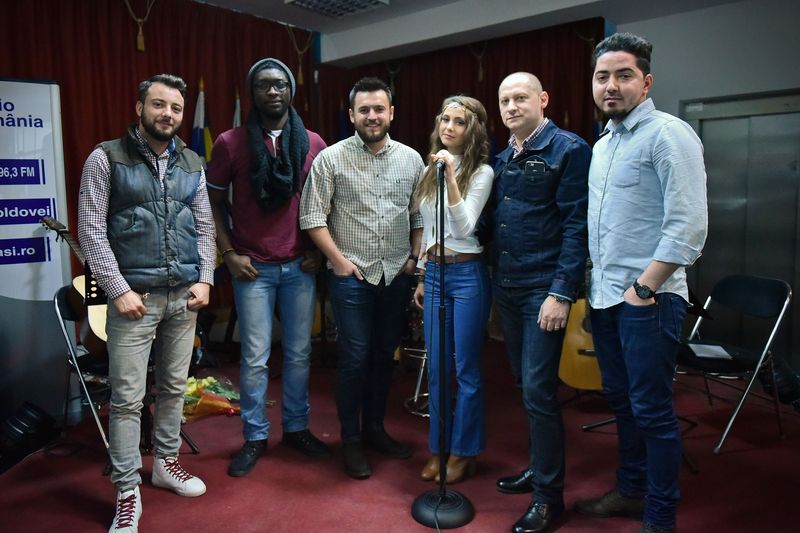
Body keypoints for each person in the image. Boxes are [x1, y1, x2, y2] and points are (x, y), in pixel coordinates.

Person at [575, 33, 708, 533]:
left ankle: (660, 516)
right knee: (622, 404)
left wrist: (644, 289)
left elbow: (689, 225)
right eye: (602, 77)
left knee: (651, 411)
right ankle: (631, 491)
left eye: (623, 75)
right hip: (606, 297)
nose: (611, 86)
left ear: (646, 82)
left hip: (648, 300)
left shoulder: (668, 134)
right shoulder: (603, 144)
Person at [77, 74, 215, 533]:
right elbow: (90, 230)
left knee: (174, 388)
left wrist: (206, 279)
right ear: (139, 108)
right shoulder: (106, 158)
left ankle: (166, 464)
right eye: (158, 105)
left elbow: (205, 225)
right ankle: (126, 491)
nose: (167, 114)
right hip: (134, 300)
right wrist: (118, 289)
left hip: (183, 298)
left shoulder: (192, 161)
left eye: (175, 108)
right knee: (127, 400)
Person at [207, 57, 330, 478]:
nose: (273, 91)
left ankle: (296, 429)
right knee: (255, 358)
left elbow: (326, 202)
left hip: (300, 266)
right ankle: (255, 436)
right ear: (252, 92)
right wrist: (228, 253)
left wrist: (319, 251)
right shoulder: (230, 142)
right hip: (252, 269)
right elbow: (212, 202)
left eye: (280, 84)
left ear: (291, 90)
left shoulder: (313, 143)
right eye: (263, 85)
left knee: (298, 354)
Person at [299, 77, 424, 480]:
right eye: (364, 109)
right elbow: (312, 216)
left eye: (379, 109)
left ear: (392, 113)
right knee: (355, 356)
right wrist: (337, 261)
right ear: (351, 114)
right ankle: (350, 439)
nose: (372, 116)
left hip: (396, 273)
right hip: (351, 274)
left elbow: (419, 215)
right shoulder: (330, 159)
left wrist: (414, 257)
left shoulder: (412, 159)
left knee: (384, 355)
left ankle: (375, 429)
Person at [487, 72, 591, 533]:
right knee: (524, 385)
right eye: (504, 100)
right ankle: (538, 468)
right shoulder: (502, 157)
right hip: (506, 285)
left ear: (543, 99)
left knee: (538, 390)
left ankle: (550, 498)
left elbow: (577, 226)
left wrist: (561, 292)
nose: (511, 107)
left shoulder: (568, 149)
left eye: (520, 98)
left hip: (542, 289)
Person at [411, 95, 493, 484]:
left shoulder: (482, 172)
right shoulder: (432, 167)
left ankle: (463, 452)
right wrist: (423, 273)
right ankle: (438, 448)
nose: (449, 127)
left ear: (471, 130)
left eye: (459, 122)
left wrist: (450, 177)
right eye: (445, 119)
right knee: (438, 367)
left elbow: (463, 227)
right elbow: (429, 228)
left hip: (467, 275)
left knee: (466, 369)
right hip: (435, 275)